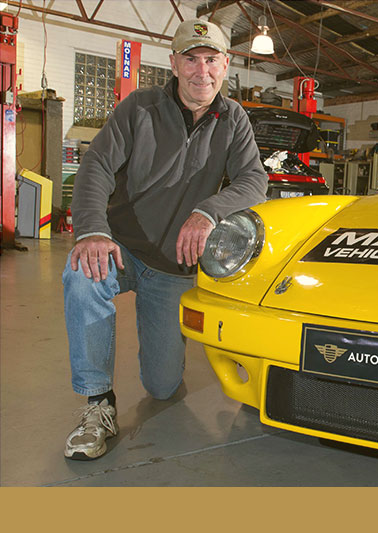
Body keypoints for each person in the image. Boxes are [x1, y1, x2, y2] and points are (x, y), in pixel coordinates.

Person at [62, 18, 267, 460]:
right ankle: (98, 404)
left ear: (225, 64)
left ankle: (165, 359)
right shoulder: (140, 107)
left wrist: (208, 211)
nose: (201, 71)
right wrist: (92, 230)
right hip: (122, 248)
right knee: (82, 274)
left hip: (174, 266)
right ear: (174, 64)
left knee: (163, 386)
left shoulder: (233, 118)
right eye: (191, 60)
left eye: (211, 60)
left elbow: (254, 180)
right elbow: (96, 166)